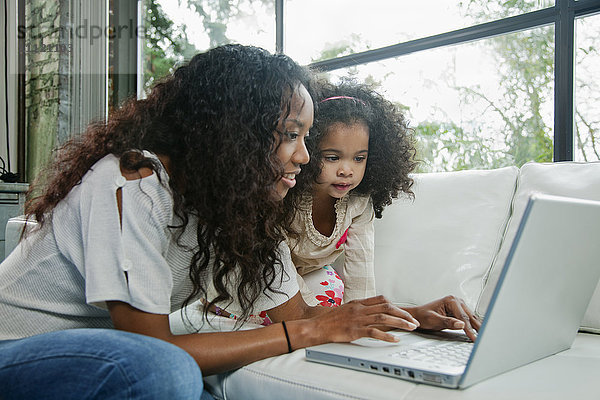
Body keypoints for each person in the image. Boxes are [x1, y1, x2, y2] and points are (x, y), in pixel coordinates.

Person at [0, 45, 479, 400]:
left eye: (306, 137)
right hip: (18, 352)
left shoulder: (240, 211)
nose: (305, 157)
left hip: (117, 362)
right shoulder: (133, 182)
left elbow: (303, 319)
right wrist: (306, 334)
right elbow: (149, 344)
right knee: (166, 373)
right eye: (291, 135)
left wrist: (410, 316)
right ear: (234, 133)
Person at [284, 78, 418, 307]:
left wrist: (363, 316)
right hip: (271, 272)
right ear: (309, 151)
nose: (347, 171)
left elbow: (361, 269)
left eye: (359, 158)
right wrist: (305, 311)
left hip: (310, 273)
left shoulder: (358, 204)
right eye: (333, 158)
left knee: (332, 290)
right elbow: (277, 266)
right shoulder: (288, 197)